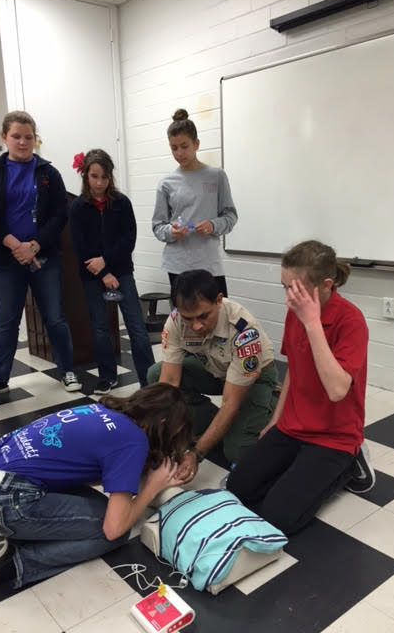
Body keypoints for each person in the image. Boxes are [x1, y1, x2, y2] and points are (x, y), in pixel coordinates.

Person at [0, 383, 191, 590]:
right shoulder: (134, 440)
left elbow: (75, 466)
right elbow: (114, 528)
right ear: (163, 423)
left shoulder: (102, 410)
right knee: (113, 532)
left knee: (100, 506)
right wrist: (152, 486)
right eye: (176, 431)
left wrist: (128, 473)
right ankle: (11, 564)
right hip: (6, 500)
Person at [227, 240, 374, 537]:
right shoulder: (297, 311)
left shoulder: (351, 321)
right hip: (294, 426)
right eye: (285, 288)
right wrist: (275, 421)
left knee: (276, 518)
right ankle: (301, 468)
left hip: (334, 436)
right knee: (238, 487)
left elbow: (336, 390)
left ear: (326, 285)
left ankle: (350, 463)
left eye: (295, 290)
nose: (288, 299)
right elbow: (294, 368)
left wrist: (312, 323)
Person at [0, 111, 81, 396]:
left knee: (55, 317)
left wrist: (33, 246)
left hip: (43, 256)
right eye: (16, 137)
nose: (23, 142)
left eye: (28, 137)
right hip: (6, 258)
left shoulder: (49, 173)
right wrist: (14, 245)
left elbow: (60, 215)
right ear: (4, 138)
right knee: (6, 320)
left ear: (35, 139)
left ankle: (67, 370)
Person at [147, 269, 278, 480]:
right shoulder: (175, 322)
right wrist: (159, 437)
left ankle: (271, 405)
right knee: (155, 375)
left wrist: (196, 453)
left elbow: (229, 403)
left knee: (237, 453)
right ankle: (219, 427)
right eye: (189, 318)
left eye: (203, 316)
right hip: (215, 371)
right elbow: (169, 381)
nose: (196, 326)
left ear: (218, 300)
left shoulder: (244, 330)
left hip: (254, 379)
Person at [69, 149, 154, 392]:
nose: (99, 183)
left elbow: (129, 239)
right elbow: (79, 245)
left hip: (122, 272)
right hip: (92, 275)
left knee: (136, 327)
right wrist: (102, 273)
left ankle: (148, 381)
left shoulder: (121, 203)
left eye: (104, 177)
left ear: (111, 177)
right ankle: (107, 376)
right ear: (86, 176)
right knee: (100, 327)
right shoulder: (77, 207)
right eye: (94, 176)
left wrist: (106, 262)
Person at [152, 109, 238, 299]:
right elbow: (158, 226)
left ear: (196, 144)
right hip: (177, 265)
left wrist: (213, 225)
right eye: (174, 148)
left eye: (184, 146)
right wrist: (171, 231)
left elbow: (230, 216)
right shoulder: (166, 183)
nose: (179, 153)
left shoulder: (216, 176)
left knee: (218, 316)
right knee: (185, 320)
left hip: (209, 264)